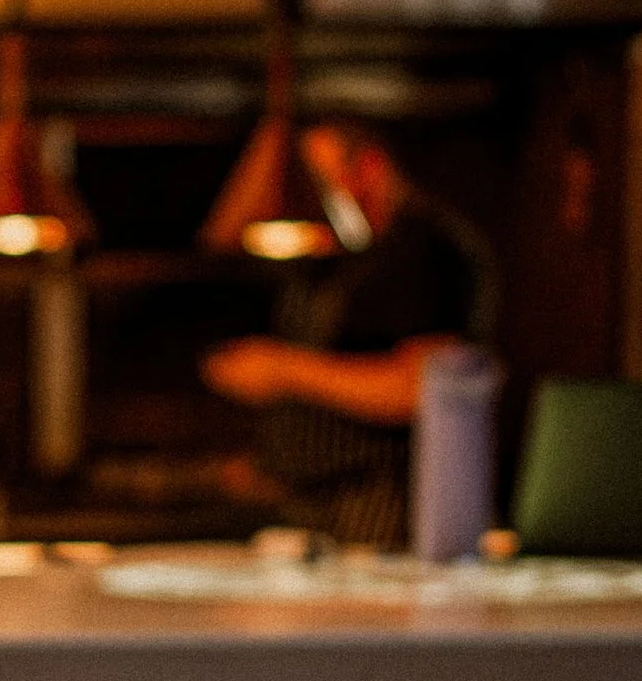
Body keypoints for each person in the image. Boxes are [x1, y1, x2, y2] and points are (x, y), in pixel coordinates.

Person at [203, 126, 498, 548]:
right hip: (309, 508)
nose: (315, 196)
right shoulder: (338, 252)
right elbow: (221, 240)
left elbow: (420, 386)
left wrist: (281, 368)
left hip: (379, 508)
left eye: (319, 179)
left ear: (371, 167)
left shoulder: (424, 251)